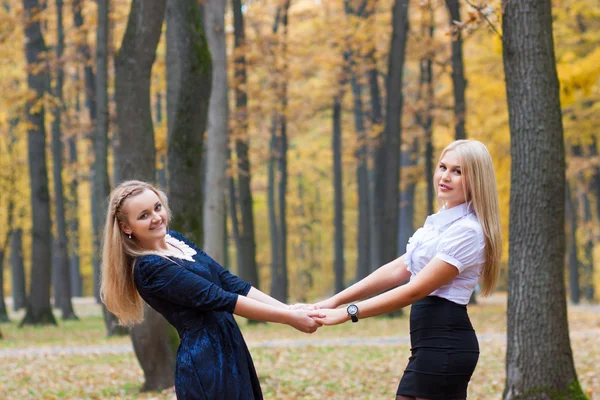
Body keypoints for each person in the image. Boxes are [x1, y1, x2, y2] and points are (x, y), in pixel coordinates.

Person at [312, 140, 502, 400]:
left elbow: (415, 291)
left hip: (446, 346)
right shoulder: (439, 225)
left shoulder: (467, 231)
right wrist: (334, 301)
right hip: (427, 347)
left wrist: (349, 313)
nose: (445, 177)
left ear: (476, 179)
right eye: (443, 167)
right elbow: (397, 269)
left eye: (458, 171)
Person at [100, 180, 322, 400]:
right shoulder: (149, 268)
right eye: (143, 215)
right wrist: (289, 318)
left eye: (157, 207)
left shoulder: (175, 240)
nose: (156, 217)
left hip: (230, 347)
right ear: (126, 227)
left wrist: (288, 308)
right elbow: (219, 298)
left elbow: (228, 282)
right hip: (206, 361)